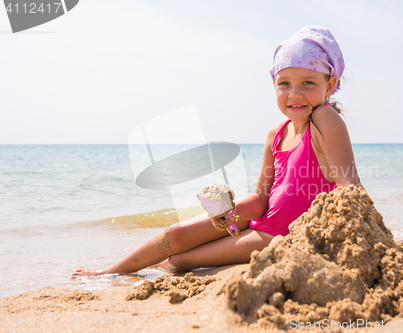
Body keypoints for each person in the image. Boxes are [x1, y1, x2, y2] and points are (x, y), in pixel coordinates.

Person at [71, 26, 361, 278]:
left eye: (308, 83)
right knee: (176, 236)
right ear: (274, 85)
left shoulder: (324, 119)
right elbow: (262, 198)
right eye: (284, 83)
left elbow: (352, 190)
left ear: (330, 85)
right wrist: (231, 213)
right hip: (261, 221)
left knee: (182, 259)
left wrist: (363, 241)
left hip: (281, 237)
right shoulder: (276, 134)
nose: (294, 93)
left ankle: (134, 270)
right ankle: (113, 270)